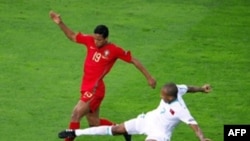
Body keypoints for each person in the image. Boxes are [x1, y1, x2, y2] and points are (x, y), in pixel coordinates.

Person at [49, 11, 157, 141]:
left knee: (76, 114)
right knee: (94, 123)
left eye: (99, 40)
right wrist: (60, 23)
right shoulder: (90, 41)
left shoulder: (114, 50)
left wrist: (149, 77)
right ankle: (123, 129)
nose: (96, 42)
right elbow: (72, 36)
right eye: (95, 38)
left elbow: (133, 60)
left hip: (95, 89)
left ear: (106, 38)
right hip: (86, 86)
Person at [58, 82, 212, 141]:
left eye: (163, 96)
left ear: (171, 97)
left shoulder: (180, 109)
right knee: (116, 129)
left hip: (159, 134)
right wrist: (201, 89)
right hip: (147, 120)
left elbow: (194, 125)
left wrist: (202, 138)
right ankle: (75, 133)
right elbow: (189, 88)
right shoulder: (177, 89)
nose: (160, 96)